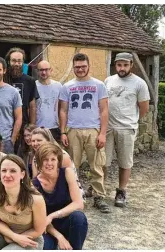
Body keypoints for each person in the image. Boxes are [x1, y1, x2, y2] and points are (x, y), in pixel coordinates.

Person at [59, 53, 110, 213]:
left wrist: (102, 133)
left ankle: (99, 196)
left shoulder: (98, 85)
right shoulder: (67, 86)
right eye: (77, 67)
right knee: (72, 166)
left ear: (89, 66)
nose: (80, 69)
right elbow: (63, 110)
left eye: (83, 66)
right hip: (73, 129)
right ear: (73, 67)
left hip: (92, 129)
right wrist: (63, 132)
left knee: (96, 165)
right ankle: (74, 196)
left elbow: (104, 110)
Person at [104, 52, 150, 208]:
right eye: (119, 65)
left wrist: (131, 121)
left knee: (125, 162)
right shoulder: (108, 80)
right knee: (103, 160)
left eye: (125, 65)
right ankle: (100, 188)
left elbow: (144, 108)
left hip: (126, 127)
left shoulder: (139, 83)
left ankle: (121, 191)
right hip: (108, 127)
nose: (121, 68)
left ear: (131, 65)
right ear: (115, 65)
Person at [32, 143, 88, 250]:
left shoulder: (67, 173)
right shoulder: (34, 185)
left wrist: (52, 216)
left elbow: (78, 204)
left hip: (66, 220)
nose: (49, 163)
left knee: (79, 217)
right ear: (39, 162)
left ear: (58, 161)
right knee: (45, 246)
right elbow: (40, 219)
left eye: (53, 159)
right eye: (45, 159)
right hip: (47, 228)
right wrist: (59, 237)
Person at [5, 47, 39, 152]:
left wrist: (32, 127)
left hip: (23, 127)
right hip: (5, 125)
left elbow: (32, 106)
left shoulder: (30, 81)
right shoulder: (2, 79)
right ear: (8, 61)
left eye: (19, 61)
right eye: (14, 61)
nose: (16, 64)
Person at [35, 60, 63, 143]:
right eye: (41, 70)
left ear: (51, 70)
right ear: (37, 71)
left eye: (46, 69)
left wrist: (62, 129)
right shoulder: (34, 85)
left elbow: (62, 108)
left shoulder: (58, 86)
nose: (44, 72)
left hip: (55, 127)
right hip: (39, 128)